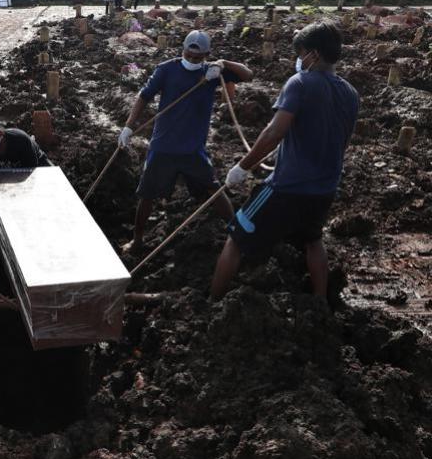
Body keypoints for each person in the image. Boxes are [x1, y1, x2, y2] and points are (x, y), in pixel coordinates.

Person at [211, 21, 359, 300]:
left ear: (313, 54)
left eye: (301, 53)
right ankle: (319, 304)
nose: (299, 60)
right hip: (324, 189)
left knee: (236, 238)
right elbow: (342, 142)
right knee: (313, 241)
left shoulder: (300, 83)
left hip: (285, 188)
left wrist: (243, 167)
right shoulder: (351, 93)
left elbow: (274, 131)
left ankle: (212, 301)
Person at [118, 30, 253, 253]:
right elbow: (144, 96)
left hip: (193, 149)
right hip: (163, 146)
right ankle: (138, 239)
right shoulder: (167, 69)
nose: (191, 60)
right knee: (147, 194)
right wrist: (129, 126)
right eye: (188, 55)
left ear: (207, 55)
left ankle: (236, 232)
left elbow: (248, 75)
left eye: (197, 58)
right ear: (183, 50)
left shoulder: (212, 72)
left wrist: (222, 63)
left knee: (213, 189)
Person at [0, 114, 51, 246]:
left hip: (34, 168)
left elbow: (32, 177)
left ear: (0, 134)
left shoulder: (20, 140)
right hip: (2, 172)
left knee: (45, 195)